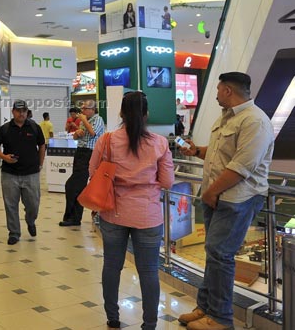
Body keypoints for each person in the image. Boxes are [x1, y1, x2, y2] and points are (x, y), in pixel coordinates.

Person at [177, 72, 274, 330]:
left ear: (229, 91)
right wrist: (196, 150)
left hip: (237, 199)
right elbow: (220, 154)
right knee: (214, 254)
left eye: (219, 89)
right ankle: (205, 308)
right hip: (218, 197)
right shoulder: (228, 117)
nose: (217, 94)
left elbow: (242, 166)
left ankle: (220, 319)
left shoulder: (255, 121)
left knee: (221, 254)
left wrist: (210, 192)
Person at [90, 91, 174, 330]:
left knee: (112, 266)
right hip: (148, 215)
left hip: (113, 212)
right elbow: (167, 181)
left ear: (121, 113)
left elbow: (93, 171)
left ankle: (113, 319)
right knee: (149, 271)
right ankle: (149, 324)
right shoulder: (159, 143)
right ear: (146, 114)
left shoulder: (107, 140)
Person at [0, 100, 46, 245]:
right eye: (18, 110)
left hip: (31, 174)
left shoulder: (35, 127)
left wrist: (40, 164)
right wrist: (4, 157)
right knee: (10, 205)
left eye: (24, 111)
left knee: (33, 204)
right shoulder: (4, 129)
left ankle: (30, 220)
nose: (21, 113)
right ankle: (14, 233)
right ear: (13, 111)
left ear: (27, 112)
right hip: (9, 174)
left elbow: (42, 145)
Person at [60, 100, 105, 227]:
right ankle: (74, 218)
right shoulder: (85, 121)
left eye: (85, 108)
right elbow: (76, 137)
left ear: (93, 109)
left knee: (71, 185)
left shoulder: (98, 119)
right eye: (82, 108)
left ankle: (72, 217)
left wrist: (83, 120)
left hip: (89, 155)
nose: (82, 111)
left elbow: (93, 133)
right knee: (78, 187)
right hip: (79, 152)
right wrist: (77, 133)